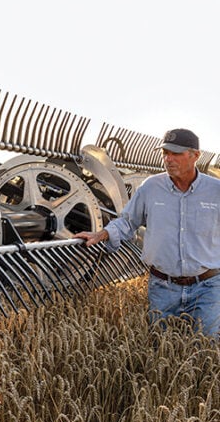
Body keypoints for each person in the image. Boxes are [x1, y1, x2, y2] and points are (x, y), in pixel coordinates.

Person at [76, 128, 220, 337]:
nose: (168, 159)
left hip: (207, 286)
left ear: (195, 155)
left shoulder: (215, 191)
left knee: (205, 348)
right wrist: (101, 234)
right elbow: (127, 222)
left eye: (175, 153)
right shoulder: (150, 188)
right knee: (160, 347)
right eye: (165, 153)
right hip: (163, 287)